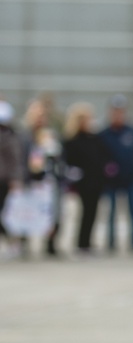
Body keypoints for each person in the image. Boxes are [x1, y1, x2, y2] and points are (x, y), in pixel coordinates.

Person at [98, 94, 133, 254]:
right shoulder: (104, 134)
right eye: (115, 111)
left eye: (121, 111)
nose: (118, 115)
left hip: (131, 178)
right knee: (111, 212)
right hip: (111, 180)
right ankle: (111, 243)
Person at [61, 102, 111, 257]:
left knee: (93, 213)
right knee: (85, 212)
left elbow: (103, 156)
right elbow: (69, 161)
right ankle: (81, 243)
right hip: (83, 182)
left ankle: (88, 242)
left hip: (96, 181)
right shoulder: (72, 140)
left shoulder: (95, 138)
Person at [19, 98, 64, 258]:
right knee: (27, 211)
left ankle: (51, 243)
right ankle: (24, 243)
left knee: (52, 212)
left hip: (48, 179)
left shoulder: (50, 134)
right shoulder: (24, 135)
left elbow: (59, 157)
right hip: (30, 179)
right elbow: (21, 157)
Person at [0, 99, 23, 259]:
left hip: (3, 179)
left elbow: (15, 160)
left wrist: (15, 179)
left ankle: (12, 240)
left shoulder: (9, 136)